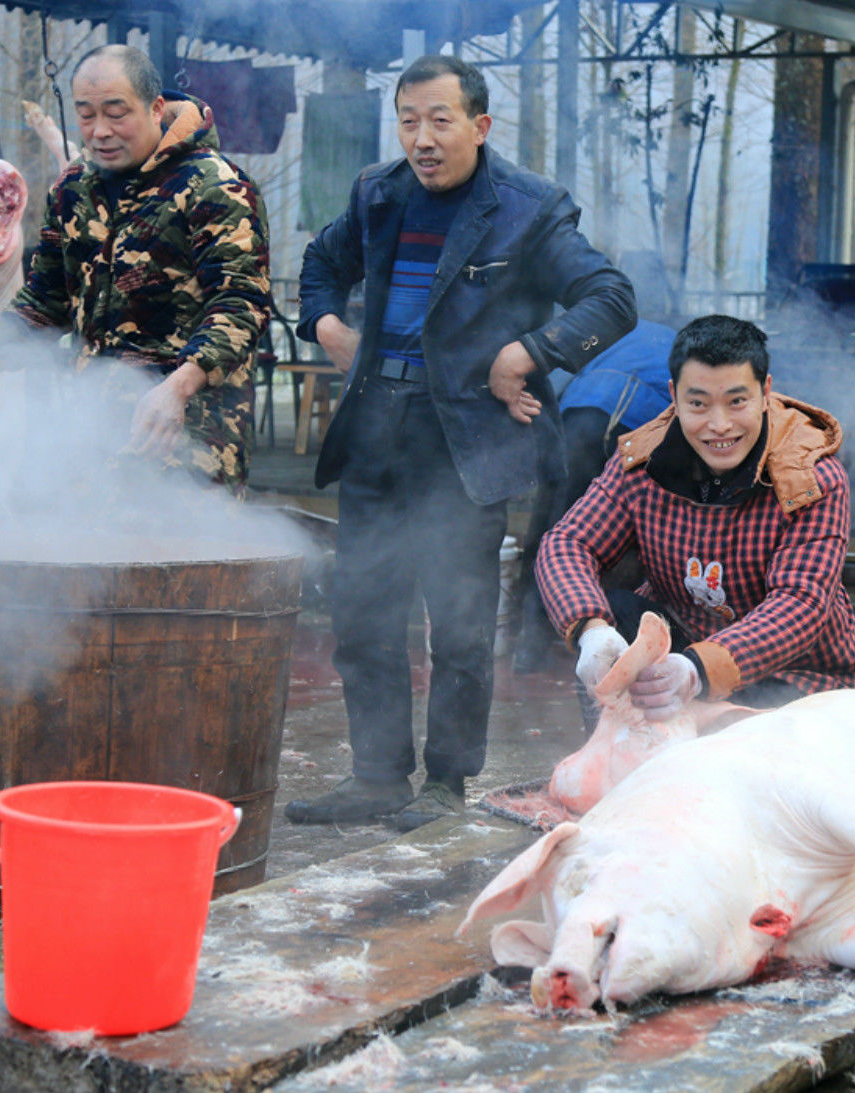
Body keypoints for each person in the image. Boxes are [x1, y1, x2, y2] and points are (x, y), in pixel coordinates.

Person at [286, 54, 635, 830]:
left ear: (480, 125)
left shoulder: (528, 208)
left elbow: (610, 297)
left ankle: (445, 785)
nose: (423, 139)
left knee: (460, 621)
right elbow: (320, 262)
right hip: (378, 429)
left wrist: (530, 352)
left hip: (464, 441)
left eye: (441, 120)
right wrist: (328, 327)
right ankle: (375, 775)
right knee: (365, 613)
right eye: (409, 121)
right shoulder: (378, 194)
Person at [0, 44, 271, 493]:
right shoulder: (74, 187)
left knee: (177, 559)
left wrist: (178, 387)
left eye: (117, 113)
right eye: (86, 115)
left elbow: (240, 305)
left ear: (155, 108)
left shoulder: (216, 186)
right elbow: (43, 302)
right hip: (88, 433)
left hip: (188, 435)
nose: (100, 132)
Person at [537, 314, 855, 725]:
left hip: (800, 678)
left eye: (737, 401)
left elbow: (799, 604)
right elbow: (568, 542)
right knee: (614, 613)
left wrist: (698, 669)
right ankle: (619, 766)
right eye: (697, 403)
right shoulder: (641, 463)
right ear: (673, 397)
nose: (719, 425)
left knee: (739, 758)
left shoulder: (811, 480)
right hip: (683, 654)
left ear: (765, 393)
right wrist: (590, 630)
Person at [511, 318, 677, 673]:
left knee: (550, 522)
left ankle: (529, 644)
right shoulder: (674, 346)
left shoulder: (612, 333)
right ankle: (619, 632)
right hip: (634, 422)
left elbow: (561, 384)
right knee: (630, 523)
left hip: (578, 417)